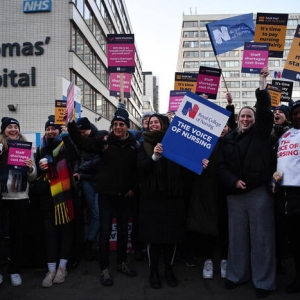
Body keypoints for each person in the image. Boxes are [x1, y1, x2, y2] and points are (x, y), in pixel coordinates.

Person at [219, 68, 276, 298]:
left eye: (249, 116)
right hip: (235, 195)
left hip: (258, 193)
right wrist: (233, 182)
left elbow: (265, 113)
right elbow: (221, 166)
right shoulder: (229, 138)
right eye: (242, 116)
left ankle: (263, 282)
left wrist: (262, 85)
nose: (245, 119)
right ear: (237, 120)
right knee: (237, 239)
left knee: (262, 239)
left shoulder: (260, 133)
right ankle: (236, 275)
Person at [68, 107, 138, 287]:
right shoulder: (104, 142)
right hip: (106, 194)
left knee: (123, 232)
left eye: (121, 124)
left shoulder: (133, 145)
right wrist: (71, 125)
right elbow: (83, 144)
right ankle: (104, 268)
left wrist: (133, 187)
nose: (118, 127)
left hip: (124, 195)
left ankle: (122, 263)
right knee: (105, 233)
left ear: (127, 126)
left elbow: (136, 171)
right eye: (115, 124)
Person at [137, 113, 200, 289]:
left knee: (171, 238)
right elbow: (140, 169)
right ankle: (154, 271)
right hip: (152, 199)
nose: (153, 124)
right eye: (150, 122)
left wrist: (199, 163)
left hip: (173, 199)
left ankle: (169, 270)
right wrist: (154, 158)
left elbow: (186, 170)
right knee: (154, 239)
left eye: (157, 122)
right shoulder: (143, 145)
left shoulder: (176, 144)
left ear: (165, 125)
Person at [186, 92, 236, 279]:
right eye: (219, 126)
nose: (222, 129)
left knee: (224, 225)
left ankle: (224, 259)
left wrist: (230, 106)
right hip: (206, 188)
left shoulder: (232, 143)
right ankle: (207, 260)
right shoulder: (207, 142)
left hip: (226, 190)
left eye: (226, 126)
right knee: (206, 225)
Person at [35, 115, 79, 288]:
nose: (51, 131)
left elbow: (76, 156)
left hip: (64, 198)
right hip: (47, 198)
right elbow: (35, 174)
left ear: (59, 129)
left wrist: (67, 135)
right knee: (50, 235)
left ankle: (62, 268)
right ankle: (51, 269)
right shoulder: (40, 148)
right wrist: (38, 168)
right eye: (48, 128)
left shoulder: (65, 145)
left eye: (54, 128)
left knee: (65, 234)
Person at [0, 117, 37, 286]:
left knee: (17, 236)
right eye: (10, 127)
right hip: (2, 196)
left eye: (16, 127)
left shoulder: (26, 149)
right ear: (3, 130)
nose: (13, 129)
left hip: (20, 197)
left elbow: (33, 177)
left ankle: (14, 270)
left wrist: (30, 167)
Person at [73, 117, 108, 262]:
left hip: (100, 180)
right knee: (94, 214)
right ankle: (92, 246)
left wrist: (83, 167)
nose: (82, 135)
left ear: (90, 128)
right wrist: (76, 171)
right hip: (86, 180)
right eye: (79, 132)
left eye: (84, 131)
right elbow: (77, 158)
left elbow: (104, 157)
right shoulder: (79, 140)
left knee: (97, 213)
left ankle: (88, 244)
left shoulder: (102, 135)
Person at [276, 100, 300, 294]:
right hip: (285, 195)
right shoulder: (286, 135)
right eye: (296, 113)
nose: (299, 115)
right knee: (294, 241)